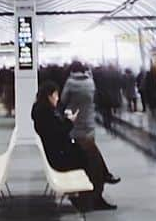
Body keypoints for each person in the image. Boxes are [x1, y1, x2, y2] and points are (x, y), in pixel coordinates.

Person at [32, 80, 116, 211]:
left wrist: (65, 121)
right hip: (59, 157)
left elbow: (55, 133)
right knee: (91, 159)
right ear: (49, 96)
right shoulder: (45, 114)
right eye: (55, 95)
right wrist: (70, 122)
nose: (57, 98)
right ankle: (96, 194)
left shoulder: (42, 112)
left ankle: (102, 181)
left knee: (90, 147)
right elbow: (57, 134)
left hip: (58, 152)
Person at [59, 63, 119, 186]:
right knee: (91, 151)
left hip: (74, 121)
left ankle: (99, 179)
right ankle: (103, 176)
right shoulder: (90, 81)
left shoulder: (70, 83)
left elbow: (63, 100)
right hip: (88, 120)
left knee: (89, 153)